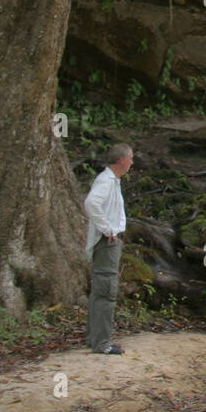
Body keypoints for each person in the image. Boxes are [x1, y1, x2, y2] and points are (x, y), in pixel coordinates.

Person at [84, 143, 133, 354]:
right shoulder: (105, 181)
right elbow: (91, 203)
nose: (132, 163)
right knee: (106, 290)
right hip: (107, 243)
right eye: (130, 158)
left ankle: (93, 338)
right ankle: (102, 343)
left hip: (109, 240)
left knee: (100, 291)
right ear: (121, 160)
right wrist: (107, 229)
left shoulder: (112, 181)